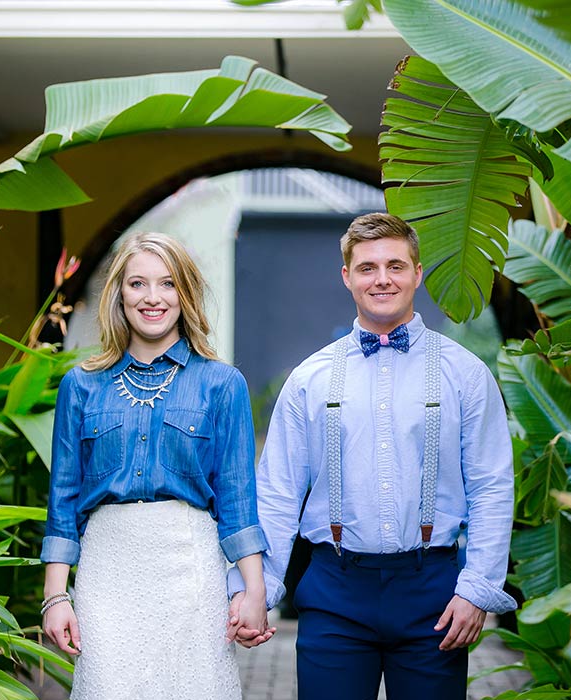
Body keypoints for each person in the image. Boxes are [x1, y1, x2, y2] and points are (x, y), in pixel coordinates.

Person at [228, 213, 516, 699]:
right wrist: (258, 591)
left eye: (395, 266)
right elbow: (277, 493)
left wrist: (477, 588)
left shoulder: (465, 375)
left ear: (417, 273)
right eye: (367, 268)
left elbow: (491, 485)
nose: (382, 279)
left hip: (434, 593)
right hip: (334, 592)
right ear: (347, 276)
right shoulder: (309, 380)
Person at [41, 232, 274, 700]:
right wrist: (55, 596)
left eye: (167, 284)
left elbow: (236, 498)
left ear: (184, 293)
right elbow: (62, 499)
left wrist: (254, 591)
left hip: (191, 574)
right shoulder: (80, 386)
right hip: (107, 577)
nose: (152, 298)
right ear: (118, 295)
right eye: (137, 284)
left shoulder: (222, 384)